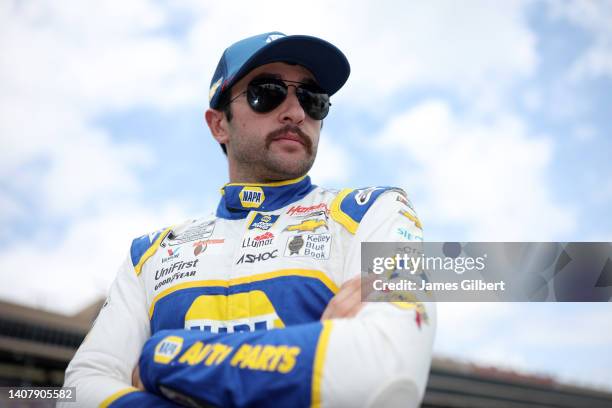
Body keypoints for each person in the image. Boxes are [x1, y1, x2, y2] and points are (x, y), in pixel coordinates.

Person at [61, 32, 436, 408]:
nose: (296, 112)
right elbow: (78, 391)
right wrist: (318, 353)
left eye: (312, 98)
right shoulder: (149, 254)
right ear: (218, 124)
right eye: (268, 92)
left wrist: (162, 358)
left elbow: (390, 366)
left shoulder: (376, 210)